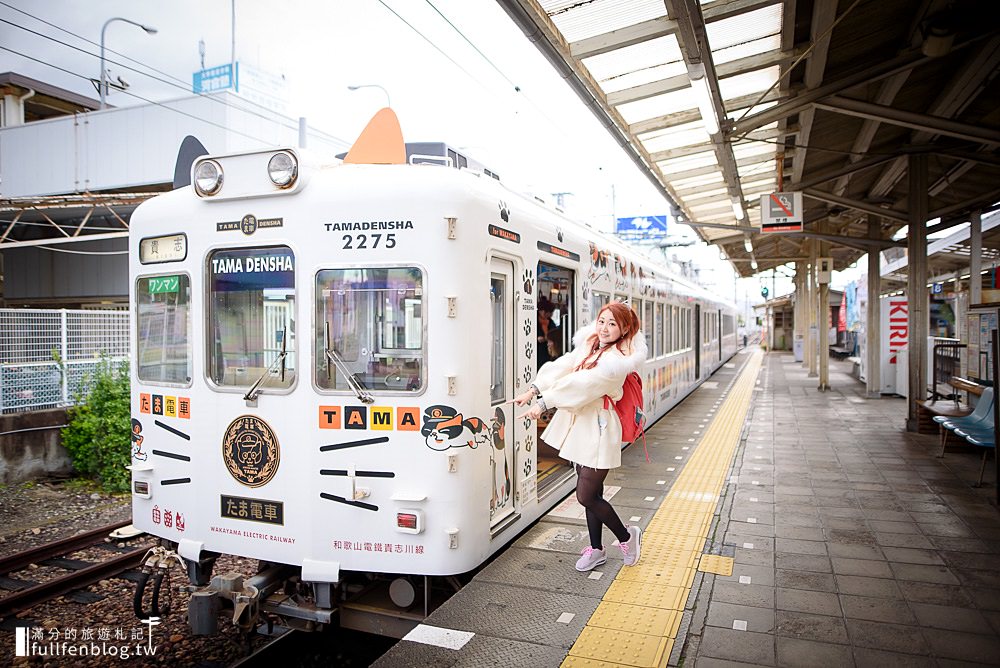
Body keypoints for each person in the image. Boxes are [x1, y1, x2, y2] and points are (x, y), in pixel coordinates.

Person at [515, 301, 648, 571]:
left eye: (612, 324)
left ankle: (627, 536)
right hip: (582, 426)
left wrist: (543, 403)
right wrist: (534, 389)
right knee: (593, 492)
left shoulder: (616, 363)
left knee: (586, 495)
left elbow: (583, 384)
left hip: (599, 429)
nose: (605, 328)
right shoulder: (592, 345)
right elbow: (565, 365)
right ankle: (597, 549)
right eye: (602, 321)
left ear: (624, 329)